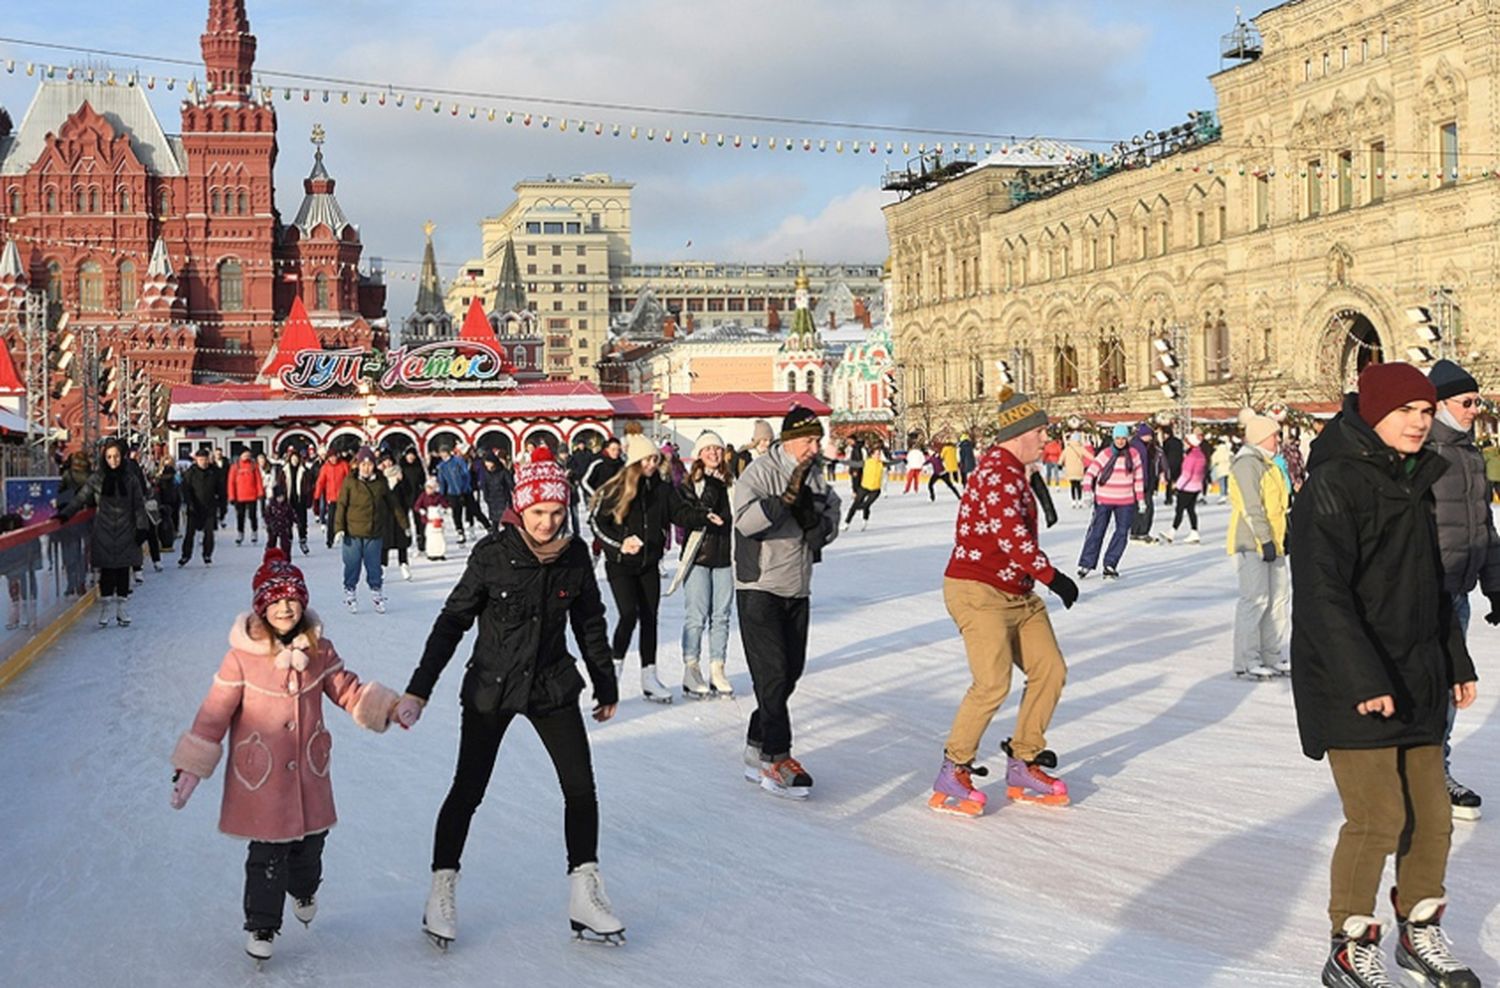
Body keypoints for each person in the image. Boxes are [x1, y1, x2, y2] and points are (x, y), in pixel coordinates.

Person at [1289, 362, 1481, 988]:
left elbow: (1431, 583)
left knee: (1431, 817)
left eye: (1427, 412)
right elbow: (1321, 594)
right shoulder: (1333, 484)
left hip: (1417, 673)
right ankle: (1349, 944)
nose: (1420, 423)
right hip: (1354, 681)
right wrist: (1363, 678)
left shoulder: (1418, 478)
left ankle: (1418, 932)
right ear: (1375, 414)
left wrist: (1454, 657)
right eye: (1407, 412)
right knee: (1377, 818)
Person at [393, 447, 624, 950]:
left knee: (581, 789)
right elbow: (452, 621)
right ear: (520, 508)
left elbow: (589, 621)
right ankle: (442, 890)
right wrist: (419, 687)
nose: (548, 523)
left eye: (557, 513)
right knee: (468, 791)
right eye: (539, 513)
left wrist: (606, 683)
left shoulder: (574, 555)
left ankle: (585, 892)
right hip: (491, 688)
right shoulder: (491, 556)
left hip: (550, 684)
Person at [168, 547, 401, 966]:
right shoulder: (242, 658)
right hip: (261, 778)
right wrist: (192, 767)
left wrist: (386, 707)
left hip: (309, 775)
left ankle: (305, 887)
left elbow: (347, 690)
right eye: (275, 600)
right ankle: (261, 924)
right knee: (266, 855)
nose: (285, 607)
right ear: (261, 606)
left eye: (292, 598)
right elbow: (214, 712)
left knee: (310, 848)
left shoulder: (320, 650)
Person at [931, 389, 1076, 817]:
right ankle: (952, 769)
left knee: (1049, 669)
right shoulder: (997, 473)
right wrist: (1055, 578)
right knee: (992, 682)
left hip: (1016, 591)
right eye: (1040, 431)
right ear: (1018, 434)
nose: (1045, 438)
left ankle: (1024, 761)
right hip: (978, 590)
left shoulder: (1017, 470)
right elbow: (1011, 538)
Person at [731, 405, 841, 798]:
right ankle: (776, 759)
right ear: (789, 440)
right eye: (809, 440)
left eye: (817, 439)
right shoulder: (758, 472)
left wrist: (817, 523)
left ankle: (757, 743)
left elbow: (832, 515)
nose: (815, 447)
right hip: (759, 585)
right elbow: (744, 521)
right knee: (773, 673)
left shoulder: (814, 476)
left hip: (797, 585)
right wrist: (782, 502)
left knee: (789, 672)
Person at [1422, 358, 1496, 821]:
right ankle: (1421, 777)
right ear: (1441, 404)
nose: (1475, 409)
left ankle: (1435, 772)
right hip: (1427, 590)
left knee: (1450, 687)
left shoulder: (1468, 452)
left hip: (1459, 590)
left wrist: (1496, 585)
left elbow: (1484, 526)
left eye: (1477, 401)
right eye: (1467, 402)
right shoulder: (1425, 452)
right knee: (1429, 686)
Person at [590, 433, 713, 702]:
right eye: (647, 459)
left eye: (655, 459)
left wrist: (703, 516)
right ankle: (613, 673)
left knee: (649, 618)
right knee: (628, 615)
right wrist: (621, 543)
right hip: (621, 565)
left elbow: (679, 514)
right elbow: (597, 524)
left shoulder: (662, 490)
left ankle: (649, 676)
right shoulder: (617, 489)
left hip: (648, 564)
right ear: (635, 460)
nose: (651, 464)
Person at [58, 437, 149, 627]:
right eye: (109, 457)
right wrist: (64, 514)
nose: (113, 460)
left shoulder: (130, 478)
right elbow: (81, 498)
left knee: (123, 571)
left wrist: (142, 528)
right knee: (107, 572)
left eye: (116, 456)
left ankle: (122, 610)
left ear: (121, 457)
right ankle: (106, 608)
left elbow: (139, 505)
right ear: (104, 458)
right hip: (104, 531)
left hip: (126, 530)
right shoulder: (97, 478)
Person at [673, 431, 736, 697]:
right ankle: (691, 668)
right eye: (708, 449)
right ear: (699, 454)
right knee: (696, 616)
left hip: (724, 558)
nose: (714, 453)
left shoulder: (732, 483)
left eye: (718, 449)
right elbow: (689, 515)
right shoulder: (691, 485)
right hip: (697, 557)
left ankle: (717, 668)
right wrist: (712, 485)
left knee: (721, 616)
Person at [1227, 415, 1289, 680]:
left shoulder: (1269, 464)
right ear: (1261, 436)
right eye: (1275, 434)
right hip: (1251, 542)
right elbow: (1251, 506)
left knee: (1278, 601)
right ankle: (1247, 660)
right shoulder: (1247, 464)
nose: (1279, 439)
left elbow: (1278, 506)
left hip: (1275, 542)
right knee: (1256, 600)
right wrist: (1264, 539)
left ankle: (1271, 655)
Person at [334, 447, 408, 614]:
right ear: (358, 465)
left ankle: (376, 592)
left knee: (374, 566)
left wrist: (404, 524)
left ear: (374, 465)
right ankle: (350, 591)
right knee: (352, 565)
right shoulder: (350, 482)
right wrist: (338, 528)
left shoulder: (380, 483)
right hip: (352, 532)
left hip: (374, 531)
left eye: (369, 464)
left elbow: (393, 504)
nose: (366, 468)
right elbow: (341, 506)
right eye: (363, 464)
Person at [1077, 425, 1145, 580]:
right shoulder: (1105, 454)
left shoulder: (1134, 455)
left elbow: (1139, 479)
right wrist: (1087, 492)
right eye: (1117, 438)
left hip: (1126, 501)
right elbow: (1090, 473)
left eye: (1123, 438)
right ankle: (1086, 563)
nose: (1120, 441)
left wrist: (1141, 500)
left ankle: (1110, 564)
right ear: (1113, 439)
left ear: (1127, 439)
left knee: (1122, 533)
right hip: (1103, 499)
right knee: (1097, 530)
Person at [1160, 430, 1206, 543]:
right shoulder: (1200, 455)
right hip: (1196, 486)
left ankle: (1171, 533)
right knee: (1191, 510)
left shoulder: (1191, 457)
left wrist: (1177, 485)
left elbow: (1187, 474)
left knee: (1179, 510)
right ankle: (1194, 532)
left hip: (1188, 487)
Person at [179, 447, 220, 568]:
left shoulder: (214, 472)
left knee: (209, 533)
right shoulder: (190, 473)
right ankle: (185, 555)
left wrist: (220, 504)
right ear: (196, 460)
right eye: (201, 459)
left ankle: (207, 555)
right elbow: (185, 490)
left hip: (209, 507)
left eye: (205, 459)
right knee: (189, 533)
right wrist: (189, 503)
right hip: (194, 507)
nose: (203, 462)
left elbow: (220, 489)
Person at [379, 450, 415, 581]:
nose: (388, 463)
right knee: (384, 543)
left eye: (389, 460)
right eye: (385, 460)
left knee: (402, 542)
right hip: (385, 515)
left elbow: (409, 493)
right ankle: (382, 567)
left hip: (400, 514)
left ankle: (404, 565)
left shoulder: (401, 474)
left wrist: (402, 481)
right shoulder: (380, 477)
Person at [436, 446, 480, 544]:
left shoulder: (458, 461)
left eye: (445, 453)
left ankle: (482, 526)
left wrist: (466, 487)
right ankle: (460, 532)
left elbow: (466, 475)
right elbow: (442, 481)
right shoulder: (441, 466)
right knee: (456, 513)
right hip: (452, 492)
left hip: (464, 490)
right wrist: (442, 494)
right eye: (441, 453)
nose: (443, 455)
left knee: (473, 509)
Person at [278, 449, 316, 555]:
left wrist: (308, 498)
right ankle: (288, 543)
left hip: (300, 500)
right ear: (289, 459)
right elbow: (280, 484)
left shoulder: (304, 471)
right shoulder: (284, 471)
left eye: (296, 458)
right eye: (293, 459)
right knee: (287, 523)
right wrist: (280, 496)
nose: (294, 461)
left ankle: (303, 540)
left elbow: (309, 485)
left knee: (302, 522)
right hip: (288, 500)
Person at [843, 438, 887, 531]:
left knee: (866, 505)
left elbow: (892, 462)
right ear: (872, 454)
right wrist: (839, 461)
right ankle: (846, 523)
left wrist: (903, 460)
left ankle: (864, 522)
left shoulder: (882, 464)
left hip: (875, 490)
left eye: (879, 454)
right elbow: (852, 463)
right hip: (864, 487)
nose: (879, 455)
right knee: (855, 505)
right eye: (877, 454)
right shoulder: (866, 462)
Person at [1128, 425, 1161, 543]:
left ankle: (1135, 532)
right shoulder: (1140, 448)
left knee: (1137, 507)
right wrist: (1145, 484)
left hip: (1137, 482)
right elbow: (1142, 468)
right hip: (1142, 483)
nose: (1150, 438)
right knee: (1147, 508)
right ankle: (1142, 532)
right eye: (1148, 435)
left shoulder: (1136, 445)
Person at [313, 450, 350, 550]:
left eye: (334, 457)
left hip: (344, 496)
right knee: (331, 519)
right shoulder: (325, 468)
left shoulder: (343, 465)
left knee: (346, 517)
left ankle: (348, 537)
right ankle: (330, 539)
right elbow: (320, 482)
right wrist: (317, 496)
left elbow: (349, 479)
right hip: (332, 497)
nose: (333, 459)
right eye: (331, 457)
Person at [399, 447, 429, 553]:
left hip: (417, 496)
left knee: (419, 521)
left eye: (413, 455)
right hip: (404, 496)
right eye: (409, 455)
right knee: (405, 520)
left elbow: (423, 479)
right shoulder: (401, 466)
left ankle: (421, 540)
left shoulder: (418, 466)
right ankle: (406, 541)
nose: (411, 457)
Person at [478, 450, 514, 533]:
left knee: (506, 521)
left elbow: (511, 484)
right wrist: (487, 498)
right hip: (492, 500)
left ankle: (508, 537)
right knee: (495, 522)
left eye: (489, 462)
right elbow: (485, 486)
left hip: (503, 499)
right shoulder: (486, 473)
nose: (487, 465)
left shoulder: (503, 472)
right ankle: (495, 537)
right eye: (486, 463)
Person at [413, 478, 449, 561]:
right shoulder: (423, 496)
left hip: (438, 520)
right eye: (427, 488)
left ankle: (440, 553)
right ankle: (431, 553)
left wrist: (444, 509)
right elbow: (416, 506)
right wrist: (421, 510)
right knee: (430, 537)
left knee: (439, 537)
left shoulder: (438, 496)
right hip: (428, 520)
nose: (429, 490)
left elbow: (445, 504)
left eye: (431, 488)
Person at [263, 484, 295, 557]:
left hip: (284, 527)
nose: (281, 499)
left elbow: (291, 515)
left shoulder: (287, 505)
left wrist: (293, 521)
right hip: (273, 527)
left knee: (285, 544)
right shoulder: (271, 505)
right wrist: (269, 523)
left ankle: (286, 558)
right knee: (271, 543)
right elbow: (267, 515)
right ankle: (270, 557)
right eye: (279, 497)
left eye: (282, 497)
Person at [1061, 432, 1090, 509]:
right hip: (1079, 470)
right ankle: (1080, 501)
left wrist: (1059, 463)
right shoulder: (1080, 448)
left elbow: (1062, 456)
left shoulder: (1067, 448)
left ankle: (1073, 501)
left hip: (1070, 470)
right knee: (1079, 485)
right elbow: (1088, 455)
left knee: (1073, 485)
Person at [1209, 438, 1234, 504]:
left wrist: (1210, 468)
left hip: (1221, 470)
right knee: (1229, 483)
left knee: (1222, 483)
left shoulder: (1217, 452)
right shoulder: (1228, 451)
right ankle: (1230, 494)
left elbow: (1213, 460)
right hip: (1229, 469)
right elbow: (1233, 458)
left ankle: (1223, 495)